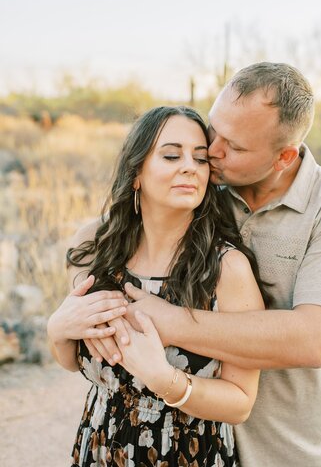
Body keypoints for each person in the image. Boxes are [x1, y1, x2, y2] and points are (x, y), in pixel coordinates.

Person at [88, 63, 321, 466]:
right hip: (194, 442)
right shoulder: (202, 185)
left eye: (234, 146)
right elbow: (116, 226)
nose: (212, 151)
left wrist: (170, 321)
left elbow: (313, 339)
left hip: (285, 448)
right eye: (213, 129)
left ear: (284, 157)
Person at [47, 105, 269, 466]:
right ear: (136, 172)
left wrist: (163, 379)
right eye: (170, 155)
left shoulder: (227, 269)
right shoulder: (95, 246)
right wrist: (57, 331)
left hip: (188, 453)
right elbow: (75, 361)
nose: (189, 167)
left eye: (200, 160)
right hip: (101, 446)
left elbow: (241, 402)